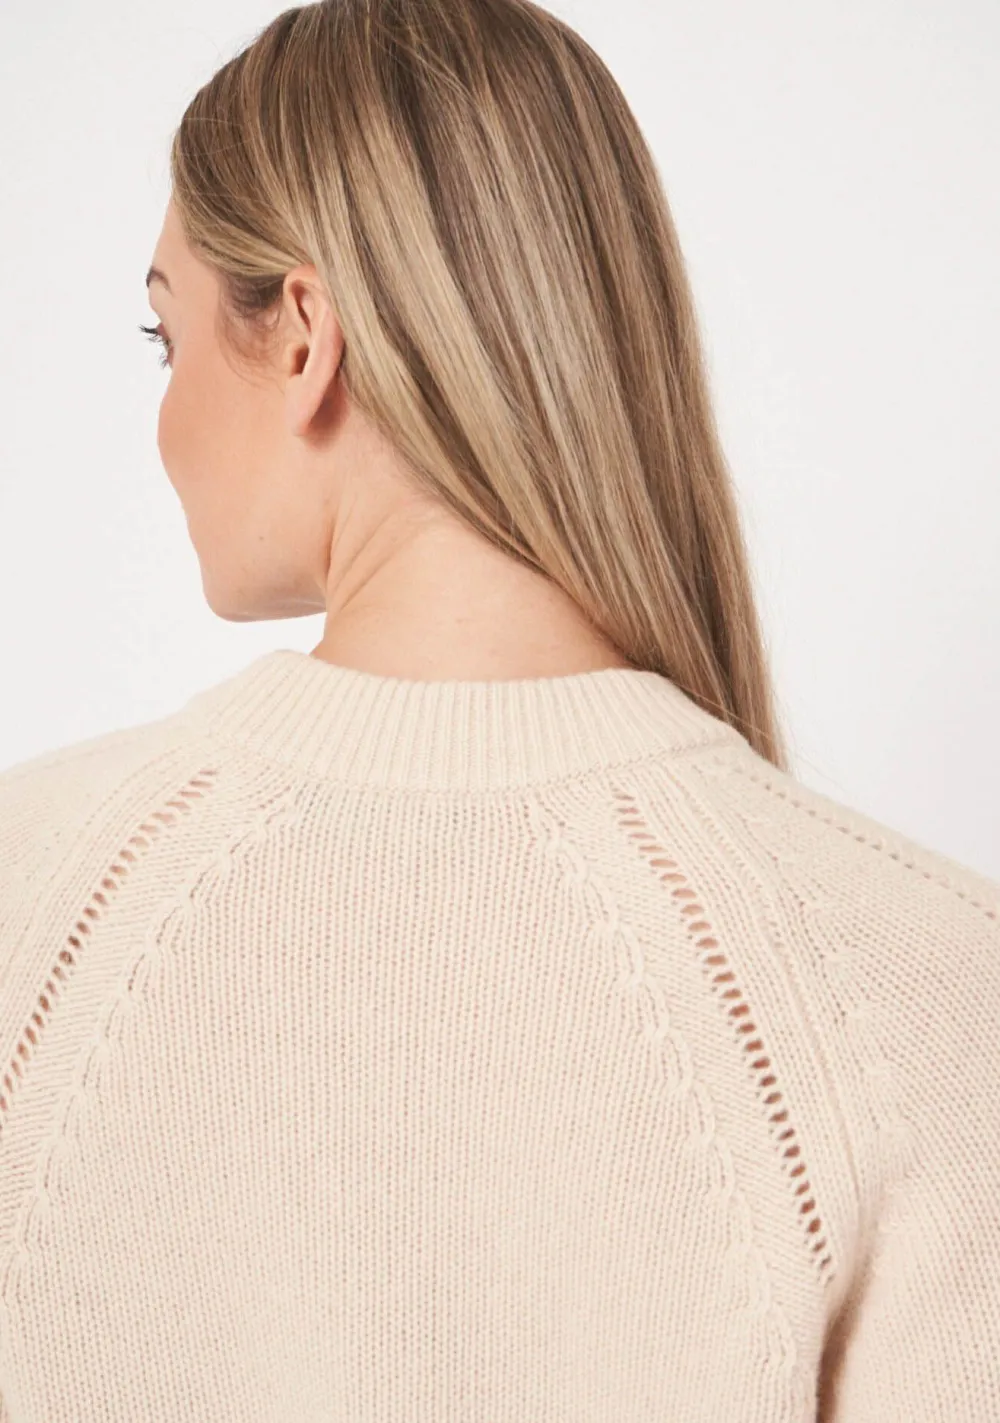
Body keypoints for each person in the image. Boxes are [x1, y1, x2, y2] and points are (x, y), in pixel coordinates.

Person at [1, 1, 998, 1419]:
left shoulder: (37, 911)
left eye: (166, 338)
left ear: (304, 336)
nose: (163, 421)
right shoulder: (935, 993)